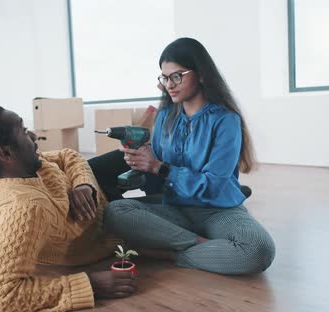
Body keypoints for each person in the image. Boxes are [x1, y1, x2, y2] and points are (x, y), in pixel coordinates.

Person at [104, 37, 276, 275]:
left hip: (218, 210)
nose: (169, 84)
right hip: (173, 207)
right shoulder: (165, 116)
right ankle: (201, 246)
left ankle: (173, 252)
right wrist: (141, 165)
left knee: (258, 250)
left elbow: (213, 186)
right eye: (164, 77)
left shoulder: (226, 120)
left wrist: (159, 167)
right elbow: (156, 183)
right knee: (115, 211)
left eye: (177, 76)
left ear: (202, 75)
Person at [0, 105, 137, 312]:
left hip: (94, 192)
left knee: (136, 152)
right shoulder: (24, 209)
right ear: (5, 153)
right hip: (104, 224)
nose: (33, 135)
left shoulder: (17, 166)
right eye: (24, 131)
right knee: (169, 206)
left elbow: (67, 155)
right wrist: (91, 284)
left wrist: (83, 185)